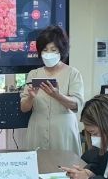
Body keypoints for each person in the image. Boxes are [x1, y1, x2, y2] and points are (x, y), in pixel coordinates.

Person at [20, 25, 84, 153]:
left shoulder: (73, 73)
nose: (48, 53)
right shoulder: (34, 74)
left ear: (61, 50)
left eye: (53, 49)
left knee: (65, 163)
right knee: (38, 162)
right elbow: (24, 108)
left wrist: (57, 96)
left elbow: (76, 105)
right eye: (45, 50)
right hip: (37, 129)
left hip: (63, 130)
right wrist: (31, 97)